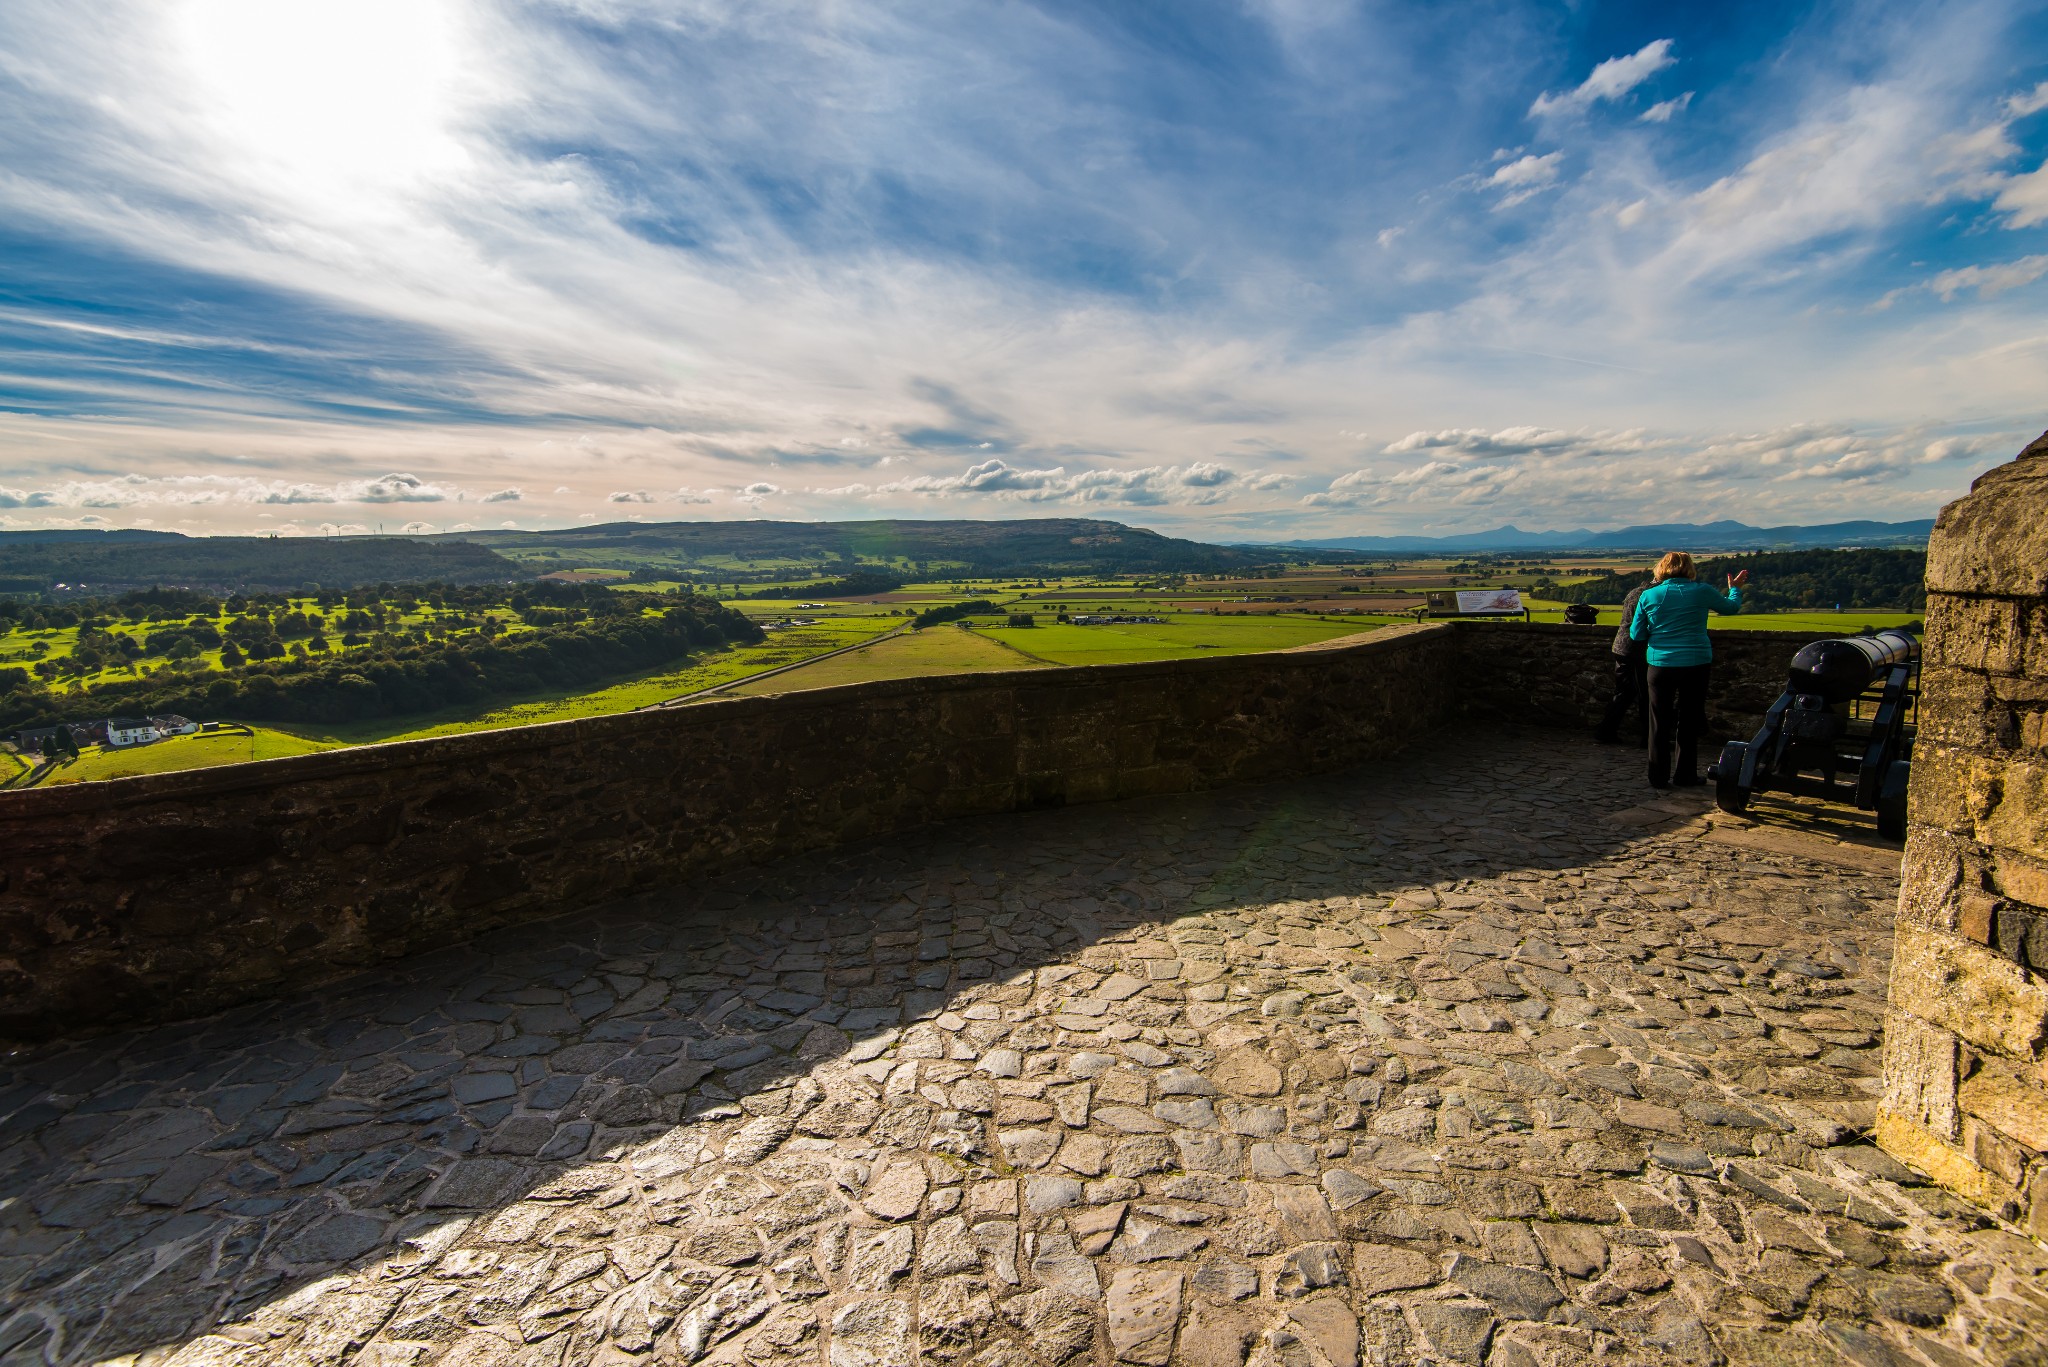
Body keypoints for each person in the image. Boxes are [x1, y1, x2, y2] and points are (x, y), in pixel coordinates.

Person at [1629, 552, 1748, 788]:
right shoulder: (1701, 591)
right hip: (1696, 663)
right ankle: (1685, 775)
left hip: (1660, 664)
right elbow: (1731, 608)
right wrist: (1734, 588)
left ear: (1661, 569)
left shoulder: (1650, 595)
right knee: (1689, 719)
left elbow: (1636, 634)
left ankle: (1658, 776)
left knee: (1658, 721)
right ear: (1689, 568)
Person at [1594, 574, 1650, 746]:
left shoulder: (1635, 592)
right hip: (1636, 649)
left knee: (1625, 692)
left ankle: (1606, 730)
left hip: (1622, 646)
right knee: (1644, 694)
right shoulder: (1651, 595)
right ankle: (1647, 737)